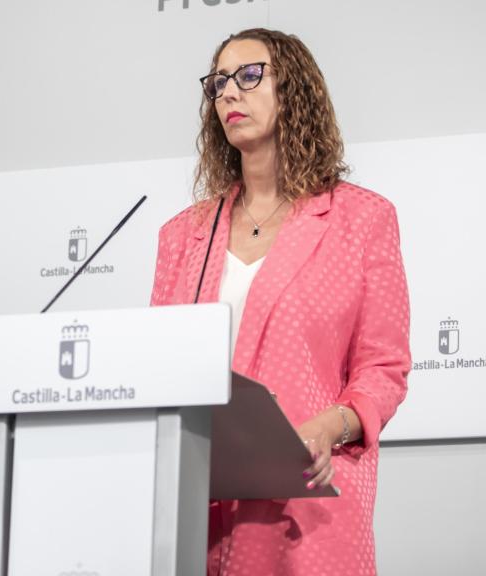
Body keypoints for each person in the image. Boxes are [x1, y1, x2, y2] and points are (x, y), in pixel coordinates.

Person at [150, 29, 410, 575]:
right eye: (218, 82)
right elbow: (157, 368)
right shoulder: (182, 235)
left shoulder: (362, 220)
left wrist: (329, 426)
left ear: (295, 90)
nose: (228, 92)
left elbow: (383, 368)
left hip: (307, 501)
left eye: (249, 76)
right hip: (196, 508)